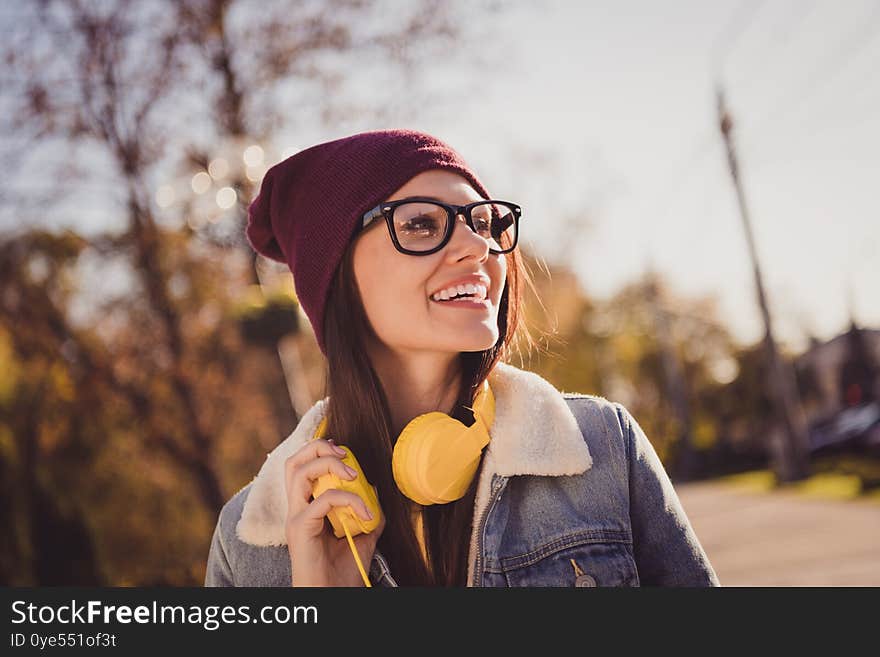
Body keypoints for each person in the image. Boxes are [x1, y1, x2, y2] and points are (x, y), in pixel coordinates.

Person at [204, 128, 720, 587]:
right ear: (335, 277)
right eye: (422, 225)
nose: (478, 247)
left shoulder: (602, 444)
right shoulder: (247, 544)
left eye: (485, 223)